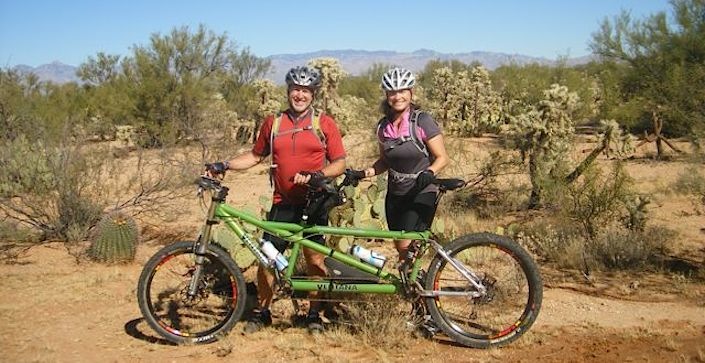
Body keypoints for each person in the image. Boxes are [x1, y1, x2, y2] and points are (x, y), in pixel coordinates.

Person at [207, 66, 346, 334]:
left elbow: (339, 162)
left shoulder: (324, 123)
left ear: (313, 94)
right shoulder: (274, 123)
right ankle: (263, 312)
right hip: (283, 201)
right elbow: (256, 155)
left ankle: (314, 314)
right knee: (268, 258)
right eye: (296, 89)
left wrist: (318, 175)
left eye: (305, 91)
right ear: (288, 91)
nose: (300, 95)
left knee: (315, 260)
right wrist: (225, 165)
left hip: (314, 202)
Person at [355, 66, 449, 265]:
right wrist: (363, 173)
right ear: (387, 95)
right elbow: (384, 162)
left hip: (421, 191)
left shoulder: (422, 121)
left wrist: (430, 172)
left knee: (407, 246)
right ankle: (414, 286)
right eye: (392, 92)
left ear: (411, 93)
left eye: (402, 91)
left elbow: (442, 157)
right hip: (395, 193)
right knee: (400, 246)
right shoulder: (383, 126)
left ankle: (420, 290)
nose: (398, 96)